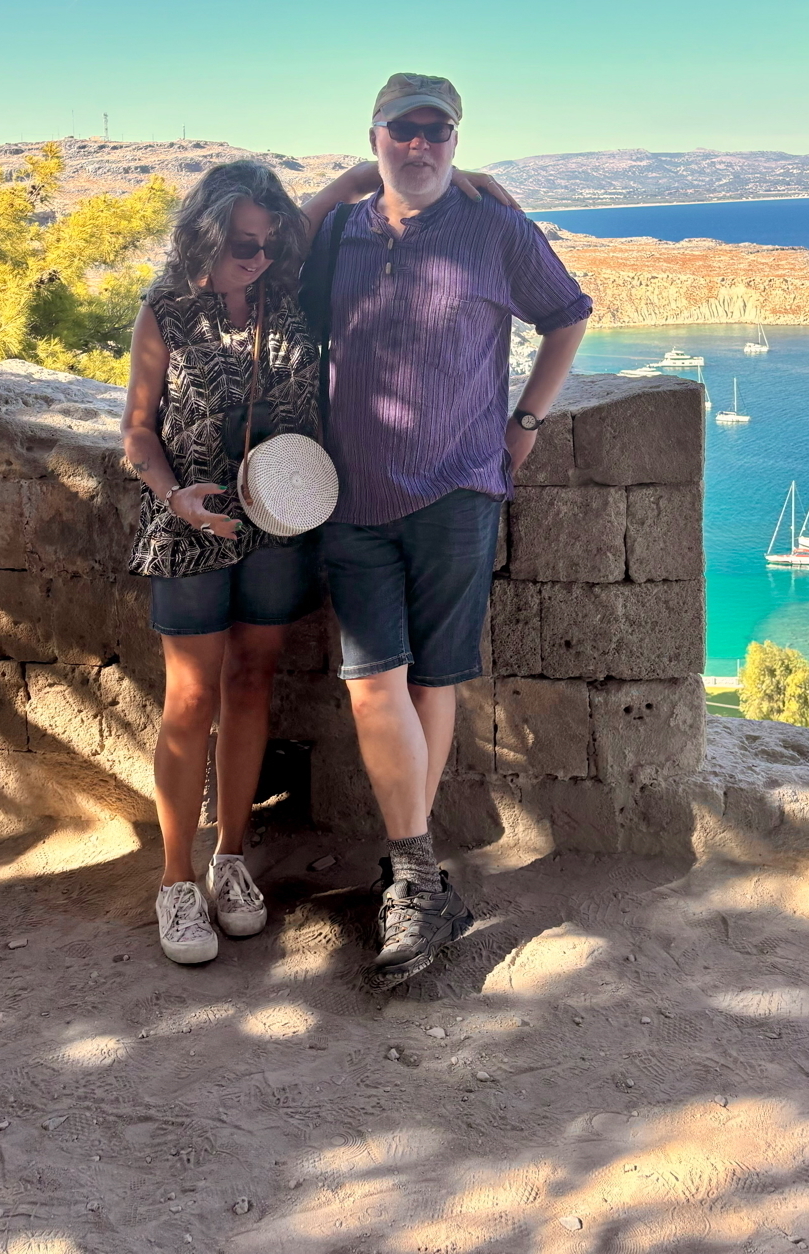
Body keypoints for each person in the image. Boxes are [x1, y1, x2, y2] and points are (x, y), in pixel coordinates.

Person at [301, 74, 592, 983]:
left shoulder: (498, 232)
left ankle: (412, 882)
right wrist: (350, 181)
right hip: (348, 496)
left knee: (433, 679)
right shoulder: (343, 234)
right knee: (368, 682)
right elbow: (278, 266)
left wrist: (528, 422)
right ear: (376, 135)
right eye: (403, 131)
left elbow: (567, 315)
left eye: (439, 132)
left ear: (458, 139)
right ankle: (419, 881)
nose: (421, 146)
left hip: (460, 486)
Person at [121, 161, 320, 966]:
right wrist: (174, 498)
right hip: (193, 520)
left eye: (270, 243)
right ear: (206, 232)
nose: (258, 257)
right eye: (243, 242)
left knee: (251, 681)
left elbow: (342, 196)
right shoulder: (165, 311)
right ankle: (175, 880)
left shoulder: (291, 296)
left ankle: (230, 859)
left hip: (280, 519)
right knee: (191, 693)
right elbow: (138, 429)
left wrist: (464, 167)